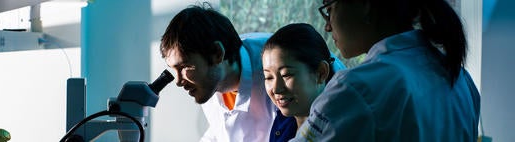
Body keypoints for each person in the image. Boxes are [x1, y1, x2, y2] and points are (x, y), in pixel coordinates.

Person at [291, 0, 481, 141]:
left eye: (330, 8)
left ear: (365, 6)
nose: (327, 25)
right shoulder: (461, 80)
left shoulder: (355, 88)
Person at [160, 3, 275, 142]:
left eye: (185, 66)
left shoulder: (275, 66)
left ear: (217, 53)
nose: (178, 81)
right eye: (174, 69)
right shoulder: (210, 81)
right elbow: (221, 130)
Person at [261, 23, 345, 142]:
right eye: (268, 77)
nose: (276, 89)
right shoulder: (283, 122)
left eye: (286, 75)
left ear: (321, 73)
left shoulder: (341, 129)